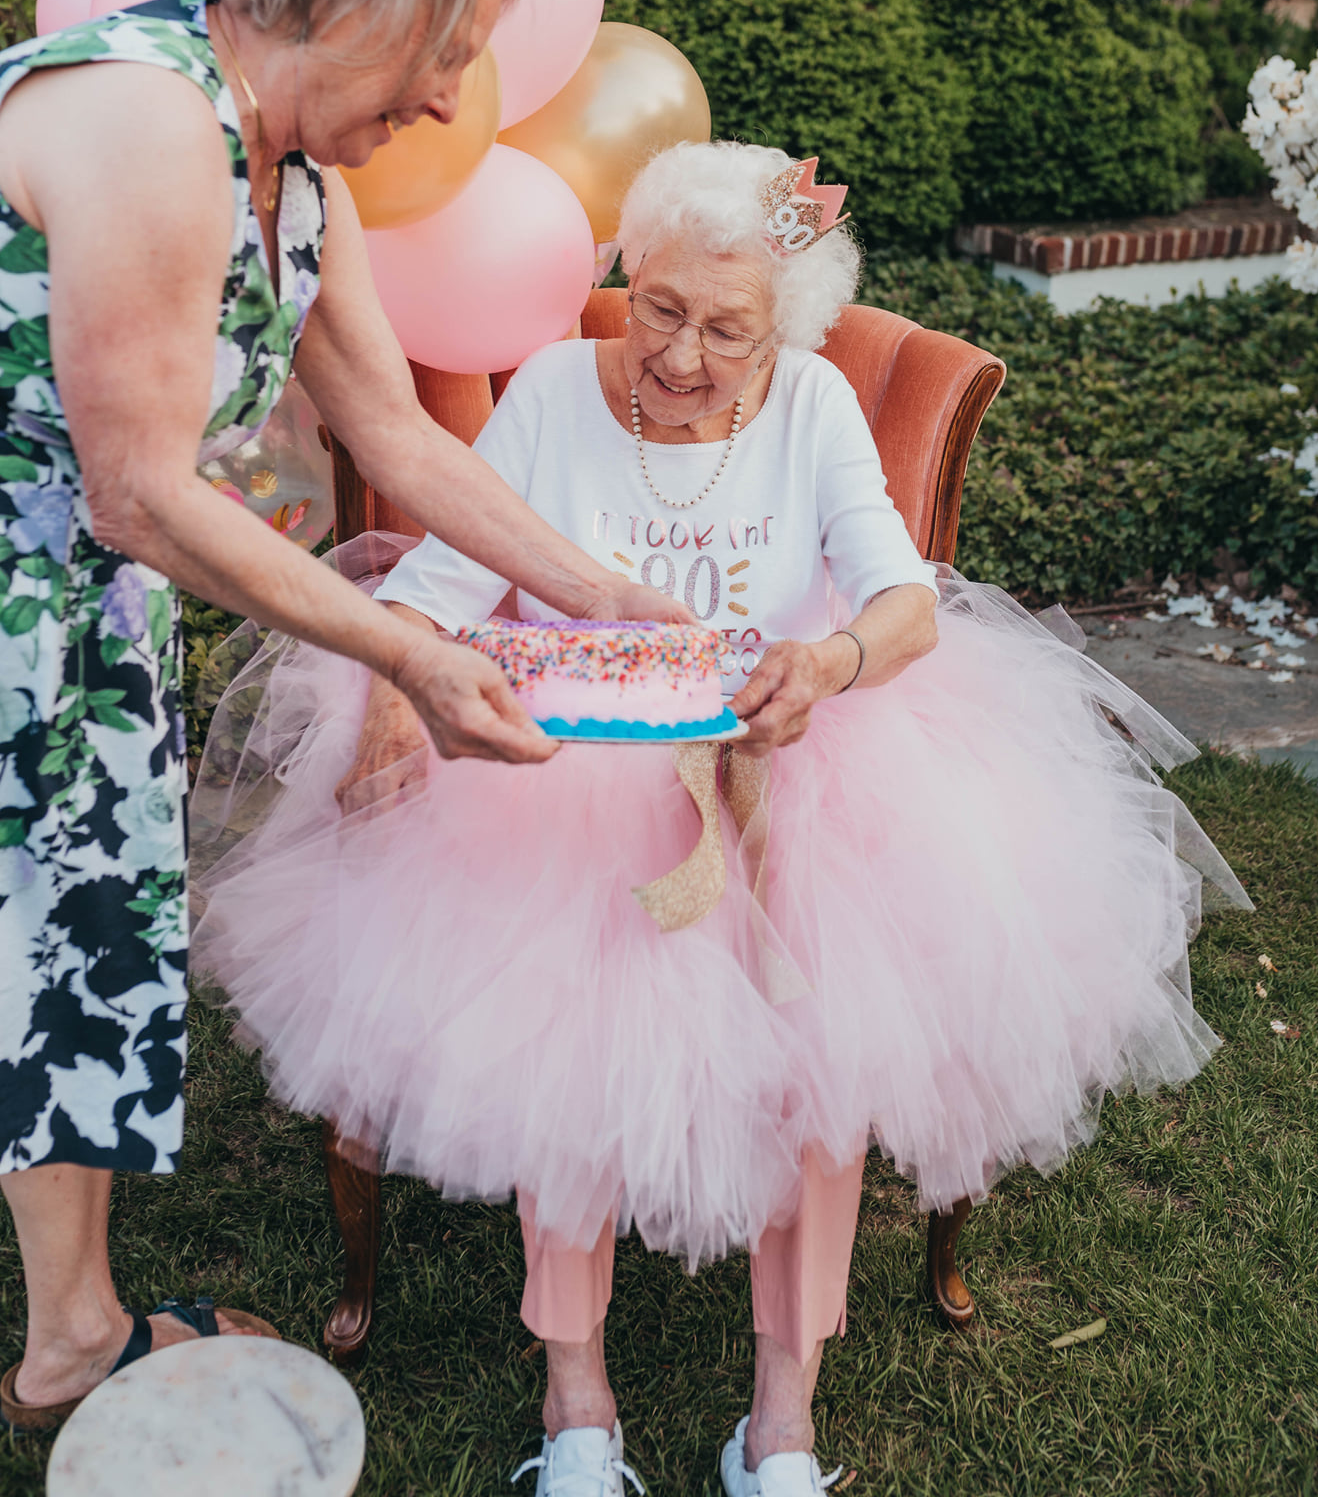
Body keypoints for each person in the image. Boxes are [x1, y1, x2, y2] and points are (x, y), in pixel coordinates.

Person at [191, 141, 1251, 1497]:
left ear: (787, 330)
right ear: (625, 280)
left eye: (727, 327)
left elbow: (902, 600)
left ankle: (783, 1416)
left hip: (793, 771)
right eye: (661, 307)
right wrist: (396, 691)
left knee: (827, 1070)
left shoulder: (811, 405)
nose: (681, 353)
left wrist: (829, 664)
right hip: (558, 791)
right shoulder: (558, 395)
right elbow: (446, 581)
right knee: (554, 1056)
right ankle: (578, 1407)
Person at [0, 0, 684, 1430]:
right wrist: (415, 654)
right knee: (39, 938)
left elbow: (393, 436)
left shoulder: (293, 171)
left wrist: (599, 592)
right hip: (48, 582)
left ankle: (70, 1333)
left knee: (76, 942)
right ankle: (75, 1335)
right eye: (443, 54)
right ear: (358, 8)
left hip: (74, 617)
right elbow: (143, 494)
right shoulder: (147, 126)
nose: (453, 99)